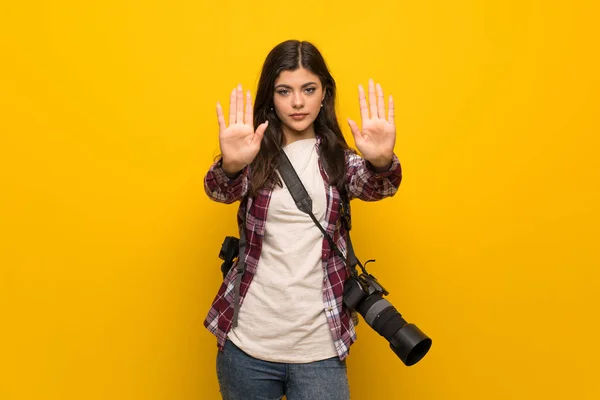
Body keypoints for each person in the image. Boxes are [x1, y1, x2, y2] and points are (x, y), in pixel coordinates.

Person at [203, 40, 402, 400]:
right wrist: (231, 165)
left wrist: (381, 162)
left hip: (319, 349)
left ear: (324, 93)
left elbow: (376, 185)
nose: (297, 102)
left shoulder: (339, 160)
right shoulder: (254, 155)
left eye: (308, 89)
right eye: (285, 91)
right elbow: (219, 190)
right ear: (271, 97)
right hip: (247, 345)